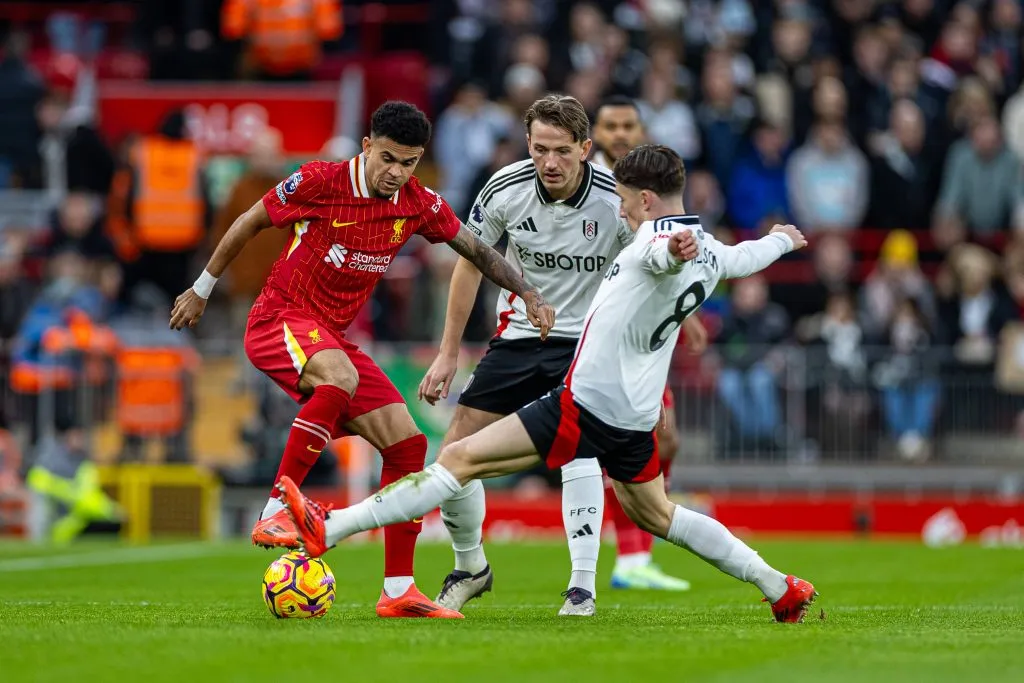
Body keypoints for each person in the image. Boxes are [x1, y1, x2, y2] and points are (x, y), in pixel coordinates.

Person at [276, 144, 818, 624]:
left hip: (585, 405)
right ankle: (780, 587)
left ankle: (335, 525)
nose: (621, 212)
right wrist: (780, 241)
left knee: (459, 459)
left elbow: (659, 253)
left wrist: (667, 249)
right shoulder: (711, 250)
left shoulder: (658, 246)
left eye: (627, 203)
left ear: (648, 200)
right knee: (658, 514)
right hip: (632, 417)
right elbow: (746, 258)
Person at [169, 101, 555, 620]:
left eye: (410, 162)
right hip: (278, 319)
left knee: (408, 442)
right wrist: (201, 289)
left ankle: (398, 589)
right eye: (389, 159)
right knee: (342, 374)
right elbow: (249, 221)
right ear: (367, 146)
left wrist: (528, 292)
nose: (397, 173)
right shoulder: (319, 181)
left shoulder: (416, 203)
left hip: (330, 338)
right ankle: (278, 508)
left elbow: (476, 248)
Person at [591, 95, 705, 591]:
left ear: (640, 130)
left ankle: (635, 554)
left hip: (640, 334)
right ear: (594, 134)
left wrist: (689, 315)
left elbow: (676, 252)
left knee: (666, 437)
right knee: (623, 439)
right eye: (610, 125)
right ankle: (626, 558)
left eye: (627, 125)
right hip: (595, 332)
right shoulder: (587, 184)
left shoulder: (649, 189)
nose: (619, 133)